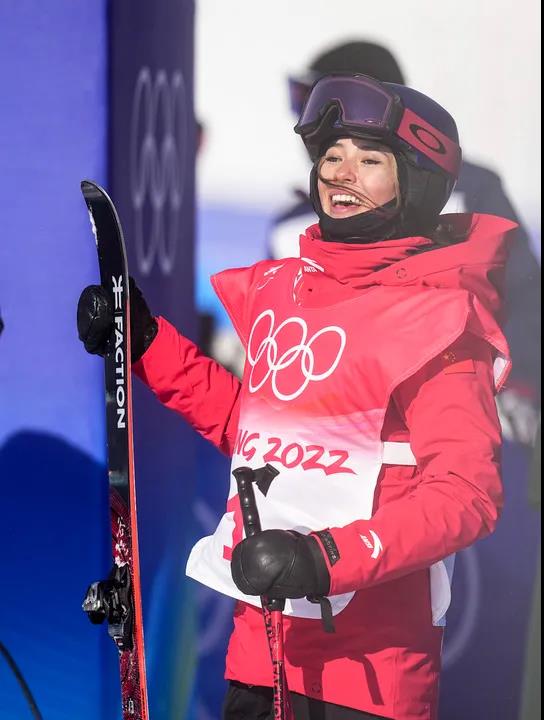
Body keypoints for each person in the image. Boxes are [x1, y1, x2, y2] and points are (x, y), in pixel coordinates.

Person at [77, 73, 516, 719]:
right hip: (261, 651)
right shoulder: (293, 293)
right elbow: (252, 429)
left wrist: (326, 555)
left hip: (369, 676)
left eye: (370, 160)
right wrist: (146, 343)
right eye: (332, 156)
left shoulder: (441, 321)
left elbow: (466, 494)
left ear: (419, 181)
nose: (342, 173)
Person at [271, 41, 540, 448]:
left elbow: (521, 294)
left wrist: (520, 386)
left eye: (316, 101)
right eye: (303, 102)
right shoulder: (288, 230)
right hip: (336, 438)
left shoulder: (467, 194)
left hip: (464, 416)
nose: (307, 121)